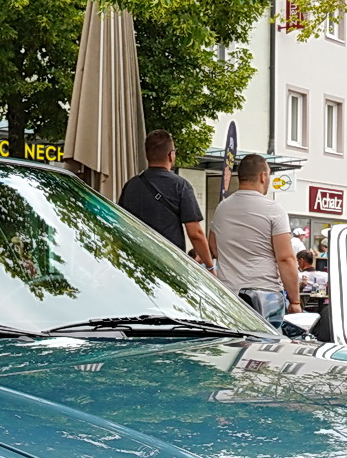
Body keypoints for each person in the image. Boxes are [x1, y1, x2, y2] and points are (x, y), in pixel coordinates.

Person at [210, 153, 301, 331]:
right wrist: (295, 301)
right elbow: (286, 259)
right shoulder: (274, 210)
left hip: (230, 296)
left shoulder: (222, 208)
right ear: (262, 176)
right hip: (264, 298)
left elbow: (213, 246)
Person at [117, 130, 213, 270]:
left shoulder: (130, 186)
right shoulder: (181, 186)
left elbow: (121, 224)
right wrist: (210, 266)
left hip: (135, 262)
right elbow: (195, 233)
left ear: (147, 154)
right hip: (169, 265)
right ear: (171, 155)